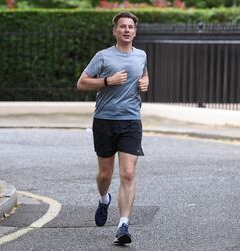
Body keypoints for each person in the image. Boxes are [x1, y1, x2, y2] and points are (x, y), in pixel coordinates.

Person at [76, 12, 149, 245]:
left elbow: (143, 76)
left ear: (135, 32)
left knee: (127, 173)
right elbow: (81, 83)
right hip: (105, 121)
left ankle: (123, 225)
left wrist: (146, 82)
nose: (127, 30)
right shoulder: (103, 56)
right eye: (122, 27)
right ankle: (103, 198)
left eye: (130, 27)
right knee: (105, 174)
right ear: (115, 31)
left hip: (131, 121)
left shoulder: (141, 56)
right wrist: (108, 81)